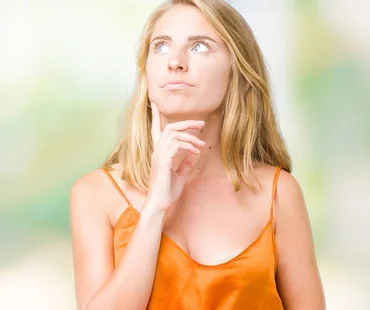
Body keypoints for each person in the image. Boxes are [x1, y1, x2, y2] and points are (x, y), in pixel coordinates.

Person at [69, 0, 325, 309]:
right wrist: (154, 209)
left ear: (239, 74)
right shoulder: (95, 194)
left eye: (199, 47)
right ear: (146, 71)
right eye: (161, 47)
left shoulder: (279, 194)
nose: (175, 62)